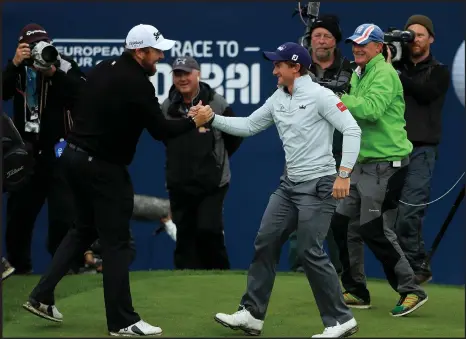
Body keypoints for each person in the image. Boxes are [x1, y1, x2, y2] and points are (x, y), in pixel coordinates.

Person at [22, 24, 212, 336]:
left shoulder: (103, 68)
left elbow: (81, 99)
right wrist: (194, 120)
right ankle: (122, 320)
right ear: (140, 52)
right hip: (102, 168)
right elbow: (163, 132)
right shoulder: (137, 83)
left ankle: (42, 296)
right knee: (117, 243)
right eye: (156, 51)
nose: (161, 56)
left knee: (83, 229)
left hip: (72, 158)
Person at [193, 41, 361, 338]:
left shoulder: (322, 96)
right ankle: (252, 315)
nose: (274, 71)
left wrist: (344, 174)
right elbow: (248, 125)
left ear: (295, 68)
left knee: (310, 251)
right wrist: (212, 119)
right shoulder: (278, 97)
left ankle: (339, 320)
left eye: (278, 65)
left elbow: (352, 129)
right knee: (266, 241)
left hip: (320, 184)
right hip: (289, 186)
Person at [330, 23, 428, 316]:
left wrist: (338, 98)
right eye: (354, 43)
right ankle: (357, 290)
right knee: (341, 224)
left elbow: (371, 111)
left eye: (364, 43)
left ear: (378, 46)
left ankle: (411, 290)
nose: (357, 48)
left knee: (375, 229)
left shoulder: (384, 73)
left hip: (387, 164)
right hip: (364, 163)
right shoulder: (361, 72)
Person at [2, 23, 86, 274]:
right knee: (19, 218)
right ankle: (19, 269)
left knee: (63, 217)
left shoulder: (64, 65)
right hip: (25, 153)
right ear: (22, 48)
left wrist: (52, 73)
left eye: (42, 43)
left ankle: (65, 269)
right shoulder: (17, 69)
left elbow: (83, 94)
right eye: (31, 45)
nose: (38, 49)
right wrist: (14, 64)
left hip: (59, 151)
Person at [161, 56, 243, 270]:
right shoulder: (168, 106)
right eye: (178, 74)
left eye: (187, 73)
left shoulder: (216, 102)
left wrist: (214, 161)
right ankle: (186, 285)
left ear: (198, 74)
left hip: (212, 182)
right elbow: (164, 137)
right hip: (180, 183)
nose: (182, 78)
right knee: (185, 235)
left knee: (209, 230)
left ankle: (221, 278)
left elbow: (235, 136)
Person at [288, 14, 355, 274]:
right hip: (303, 149)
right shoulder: (297, 69)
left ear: (336, 42)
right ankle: (299, 269)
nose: (322, 41)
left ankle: (340, 272)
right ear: (310, 39)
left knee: (337, 215)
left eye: (327, 36)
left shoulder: (350, 69)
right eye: (317, 35)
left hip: (337, 151)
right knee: (299, 210)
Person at [389, 15, 450, 285]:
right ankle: (407, 269)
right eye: (409, 35)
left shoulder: (439, 71)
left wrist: (396, 71)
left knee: (409, 212)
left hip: (422, 151)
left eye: (420, 35)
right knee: (381, 217)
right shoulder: (393, 68)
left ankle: (417, 264)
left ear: (431, 39)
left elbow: (424, 93)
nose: (414, 40)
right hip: (390, 149)